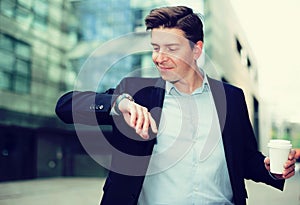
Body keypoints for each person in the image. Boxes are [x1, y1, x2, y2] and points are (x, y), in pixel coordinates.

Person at [55, 6, 296, 205]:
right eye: (156, 48)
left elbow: (244, 159)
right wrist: (118, 103)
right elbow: (65, 106)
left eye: (171, 49)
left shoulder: (231, 98)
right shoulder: (136, 92)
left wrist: (270, 169)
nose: (160, 57)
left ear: (196, 49)